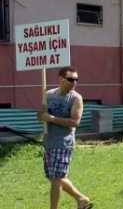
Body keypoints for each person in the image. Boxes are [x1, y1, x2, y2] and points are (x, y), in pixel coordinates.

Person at [36, 67, 93, 209]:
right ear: (61, 79)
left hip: (63, 143)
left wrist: (52, 118)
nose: (74, 82)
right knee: (54, 177)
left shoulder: (76, 98)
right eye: (71, 79)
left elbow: (75, 122)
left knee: (56, 179)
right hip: (49, 141)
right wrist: (42, 115)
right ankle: (82, 199)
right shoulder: (48, 94)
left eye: (76, 80)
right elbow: (41, 115)